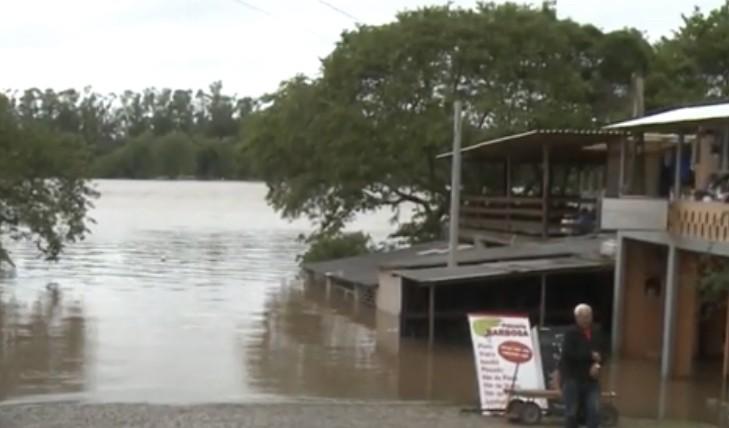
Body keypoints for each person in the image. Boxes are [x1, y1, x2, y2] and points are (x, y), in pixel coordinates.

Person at [559, 304, 602, 428]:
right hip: (572, 379)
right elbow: (569, 353)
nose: (586, 319)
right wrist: (590, 355)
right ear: (576, 318)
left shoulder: (597, 331)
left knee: (594, 412)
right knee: (571, 414)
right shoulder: (570, 333)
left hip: (592, 381)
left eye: (588, 316)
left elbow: (603, 353)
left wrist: (598, 365)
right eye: (582, 317)